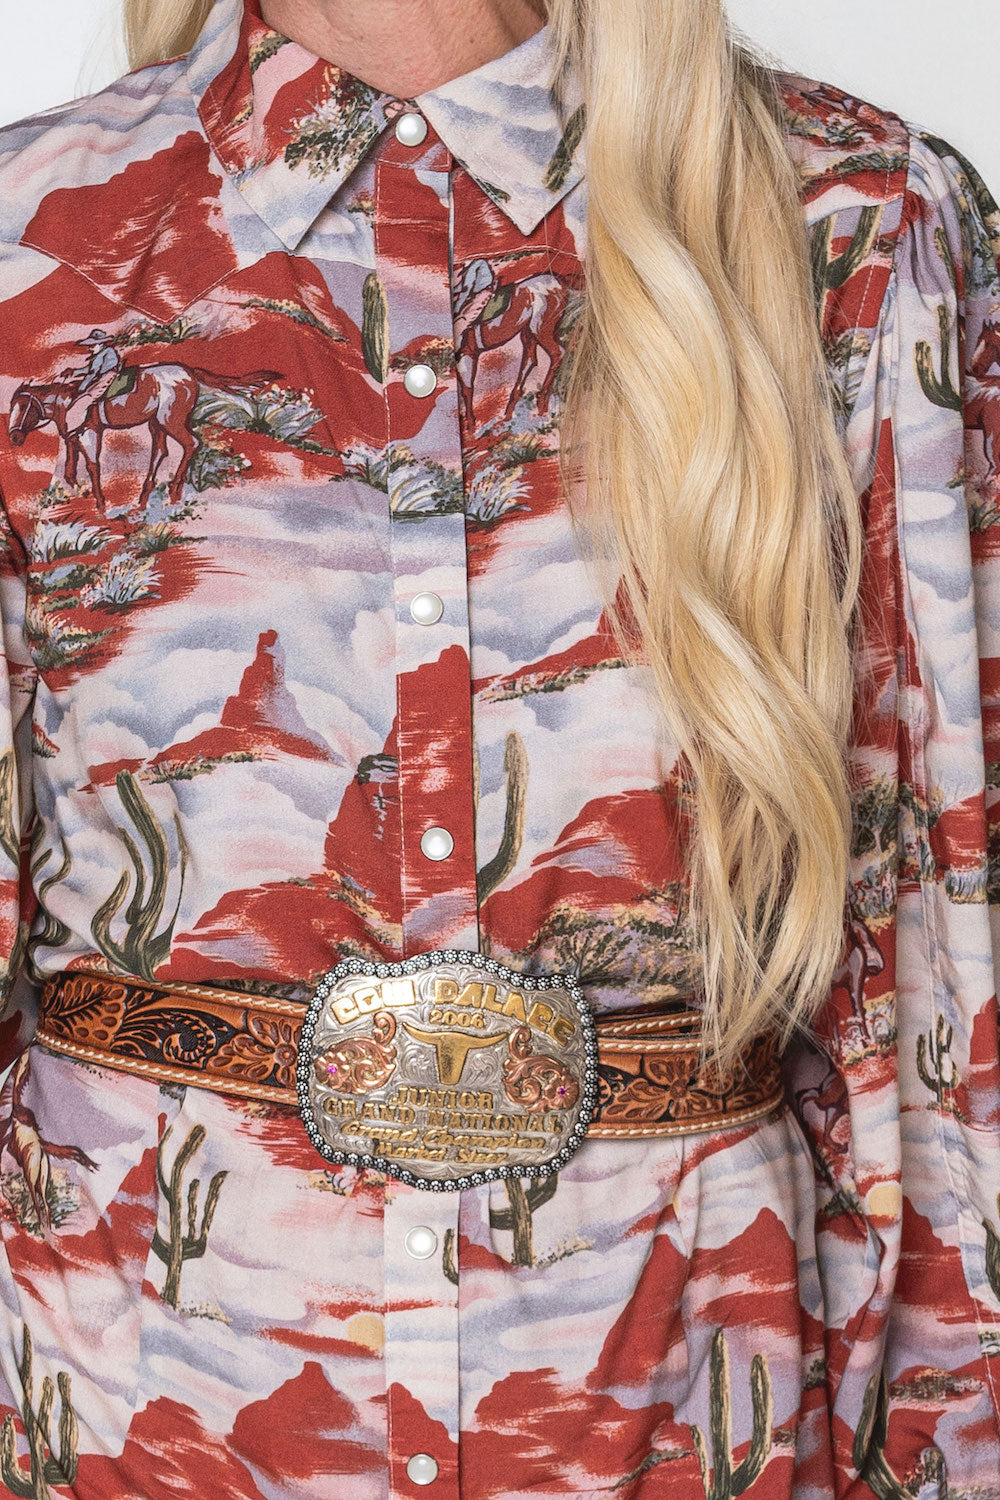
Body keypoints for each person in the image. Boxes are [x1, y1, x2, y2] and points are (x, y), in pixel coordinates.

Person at [0, 0, 997, 1493]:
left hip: (675, 1427)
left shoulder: (857, 227)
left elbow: (948, 970)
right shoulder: (32, 245)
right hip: (135, 1427)